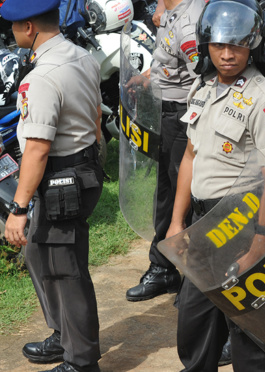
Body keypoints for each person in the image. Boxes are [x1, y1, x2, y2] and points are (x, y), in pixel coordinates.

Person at [165, 0, 265, 370]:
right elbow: (190, 156)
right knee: (193, 328)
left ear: (252, 44)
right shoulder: (202, 89)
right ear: (206, 45)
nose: (226, 54)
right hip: (205, 228)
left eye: (236, 45)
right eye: (218, 45)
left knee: (252, 338)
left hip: (243, 224)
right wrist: (177, 222)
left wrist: (259, 246)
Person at [1, 0, 104, 371]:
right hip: (83, 168)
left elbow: (38, 149)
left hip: (60, 178)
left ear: (28, 28)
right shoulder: (82, 56)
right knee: (39, 256)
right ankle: (64, 335)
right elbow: (94, 116)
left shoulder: (39, 78)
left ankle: (81, 361)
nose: (9, 32)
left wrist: (18, 209)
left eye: (11, 26)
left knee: (66, 271)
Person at [125, 0, 205, 302]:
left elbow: (204, 76)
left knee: (189, 196)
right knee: (166, 192)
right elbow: (169, 63)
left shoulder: (188, 23)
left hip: (184, 117)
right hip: (166, 114)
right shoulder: (171, 14)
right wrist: (147, 78)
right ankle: (164, 268)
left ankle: (197, 279)